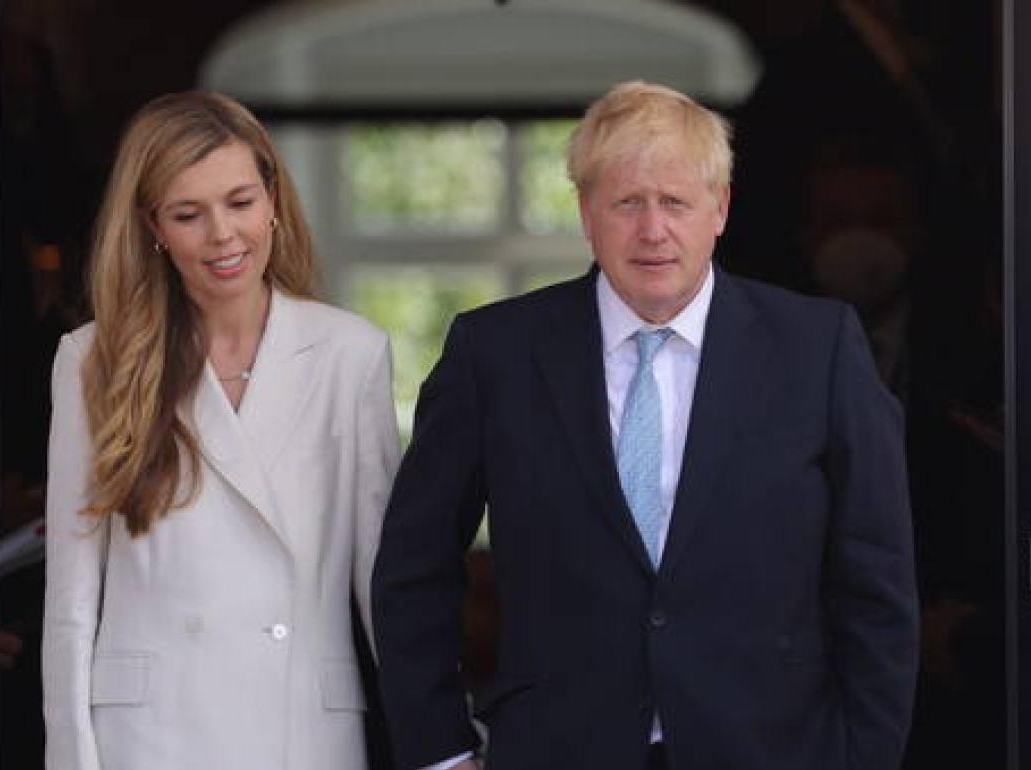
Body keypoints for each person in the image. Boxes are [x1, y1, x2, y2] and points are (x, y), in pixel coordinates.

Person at [371, 81, 918, 770]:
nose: (652, 230)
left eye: (675, 202)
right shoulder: (496, 355)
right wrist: (442, 753)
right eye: (626, 203)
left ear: (719, 209)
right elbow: (414, 569)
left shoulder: (818, 350)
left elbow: (878, 585)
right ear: (585, 213)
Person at [42, 91, 400, 770]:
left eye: (240, 202)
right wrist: (70, 756)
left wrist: (438, 740)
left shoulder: (351, 354)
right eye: (188, 214)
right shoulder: (93, 360)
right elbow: (72, 593)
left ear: (273, 199)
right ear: (152, 226)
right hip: (149, 737)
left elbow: (382, 580)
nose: (223, 236)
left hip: (301, 730)